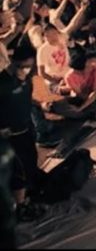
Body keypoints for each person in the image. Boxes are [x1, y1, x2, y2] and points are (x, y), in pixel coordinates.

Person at [0, 45, 46, 221]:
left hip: (26, 129)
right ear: (13, 62)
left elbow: (26, 99)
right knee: (18, 171)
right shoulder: (2, 82)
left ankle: (28, 195)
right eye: (21, 67)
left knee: (30, 162)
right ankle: (19, 208)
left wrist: (39, 104)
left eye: (29, 66)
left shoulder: (27, 80)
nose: (25, 71)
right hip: (8, 137)